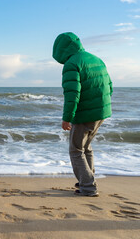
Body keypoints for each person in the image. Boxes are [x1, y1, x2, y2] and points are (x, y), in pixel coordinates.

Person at [52, 32, 112, 197]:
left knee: (76, 149)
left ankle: (88, 187)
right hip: (102, 112)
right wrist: (101, 107)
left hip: (85, 115)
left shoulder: (72, 64)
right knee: (86, 147)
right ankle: (87, 181)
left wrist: (67, 118)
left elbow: (72, 95)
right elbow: (109, 86)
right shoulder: (96, 59)